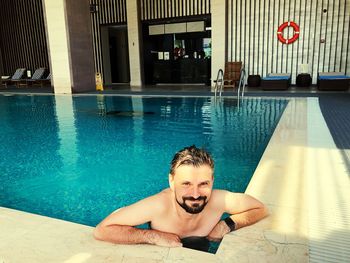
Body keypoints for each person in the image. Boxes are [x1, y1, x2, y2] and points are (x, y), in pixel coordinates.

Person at [94, 145, 268, 249]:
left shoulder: (219, 200)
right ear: (171, 181)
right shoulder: (158, 206)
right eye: (186, 184)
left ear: (212, 181)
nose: (195, 194)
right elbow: (102, 230)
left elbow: (261, 208)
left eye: (203, 184)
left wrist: (227, 224)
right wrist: (153, 236)